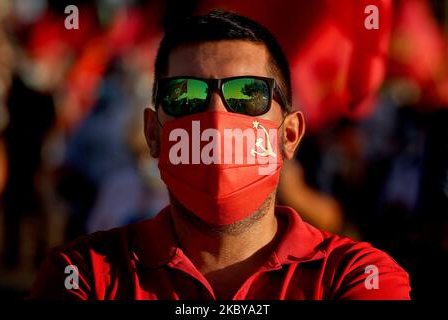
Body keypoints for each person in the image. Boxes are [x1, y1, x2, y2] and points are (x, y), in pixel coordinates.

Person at [29, 10, 411, 300]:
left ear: (290, 134)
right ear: (152, 134)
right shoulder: (83, 275)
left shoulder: (356, 276)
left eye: (249, 93)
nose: (215, 118)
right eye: (185, 96)